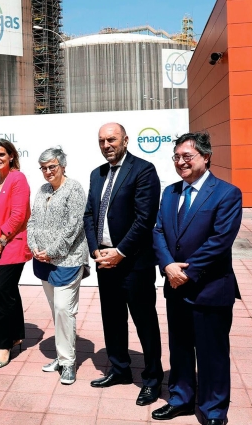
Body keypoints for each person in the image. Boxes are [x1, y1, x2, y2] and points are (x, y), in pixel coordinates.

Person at [151, 132, 242, 425]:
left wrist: (186, 272)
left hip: (210, 287)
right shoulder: (170, 192)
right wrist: (168, 266)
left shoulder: (227, 193)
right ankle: (181, 398)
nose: (180, 162)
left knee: (212, 352)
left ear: (206, 156)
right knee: (179, 347)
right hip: (174, 285)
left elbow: (220, 240)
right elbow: (159, 232)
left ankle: (214, 410)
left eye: (187, 156)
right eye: (176, 157)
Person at [83, 122, 164, 406]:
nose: (107, 145)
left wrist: (121, 252)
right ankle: (120, 370)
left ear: (126, 140)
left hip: (133, 264)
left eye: (112, 139)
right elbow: (89, 215)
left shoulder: (143, 170)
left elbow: (145, 219)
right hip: (104, 261)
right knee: (113, 319)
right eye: (102, 140)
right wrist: (95, 250)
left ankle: (153, 380)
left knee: (145, 323)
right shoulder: (97, 174)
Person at [27, 147, 88, 385]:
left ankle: (69, 362)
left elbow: (73, 227)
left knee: (65, 310)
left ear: (62, 166)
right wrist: (34, 247)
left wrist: (51, 251)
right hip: (43, 261)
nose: (48, 172)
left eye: (52, 167)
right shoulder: (42, 190)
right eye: (43, 168)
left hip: (67, 260)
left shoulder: (74, 189)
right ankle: (61, 357)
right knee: (56, 311)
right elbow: (32, 221)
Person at [0, 139, 32, 369]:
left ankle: (4, 346)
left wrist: (0, 242)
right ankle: (16, 335)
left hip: (11, 245)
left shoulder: (17, 178)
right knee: (9, 293)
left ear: (11, 156)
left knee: (2, 296)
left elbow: (19, 215)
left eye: (2, 154)